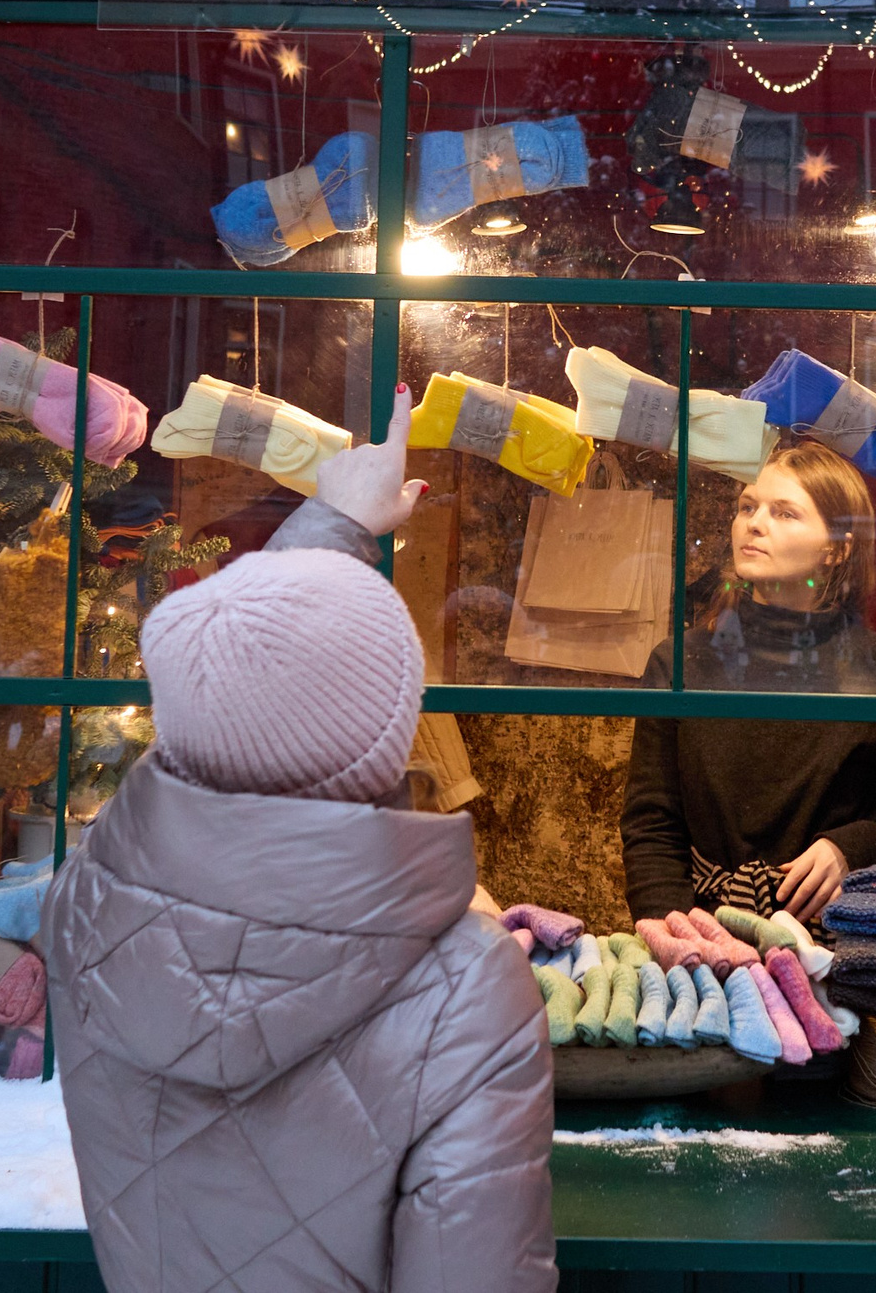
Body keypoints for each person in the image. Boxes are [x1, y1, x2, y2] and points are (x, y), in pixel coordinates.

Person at [43, 386, 556, 1293]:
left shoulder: (88, 907)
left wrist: (336, 521)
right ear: (389, 740)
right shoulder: (466, 987)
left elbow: (234, 699)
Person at [619, 442, 876, 926]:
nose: (754, 523)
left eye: (785, 513)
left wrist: (851, 847)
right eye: (747, 507)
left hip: (839, 937)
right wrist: (676, 934)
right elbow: (652, 826)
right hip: (702, 930)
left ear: (836, 547)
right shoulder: (681, 660)